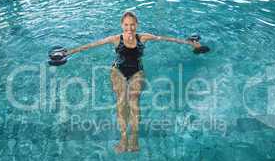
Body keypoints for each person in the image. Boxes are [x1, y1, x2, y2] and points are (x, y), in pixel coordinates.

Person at [66, 11, 202, 153]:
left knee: (134, 100)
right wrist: (68, 52)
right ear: (121, 25)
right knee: (121, 100)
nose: (129, 28)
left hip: (137, 71)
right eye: (126, 25)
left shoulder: (143, 37)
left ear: (137, 25)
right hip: (117, 71)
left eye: (132, 25)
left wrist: (190, 43)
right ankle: (124, 138)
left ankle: (135, 137)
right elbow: (91, 45)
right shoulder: (115, 39)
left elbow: (166, 39)